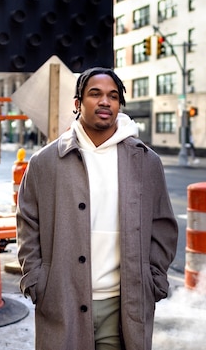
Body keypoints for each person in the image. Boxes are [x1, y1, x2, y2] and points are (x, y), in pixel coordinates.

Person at [16, 67, 178, 350]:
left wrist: (154, 281)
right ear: (77, 103)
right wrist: (36, 280)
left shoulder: (146, 162)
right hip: (62, 299)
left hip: (124, 305)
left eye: (113, 96)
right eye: (96, 94)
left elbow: (163, 226)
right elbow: (28, 223)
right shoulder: (45, 162)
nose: (105, 101)